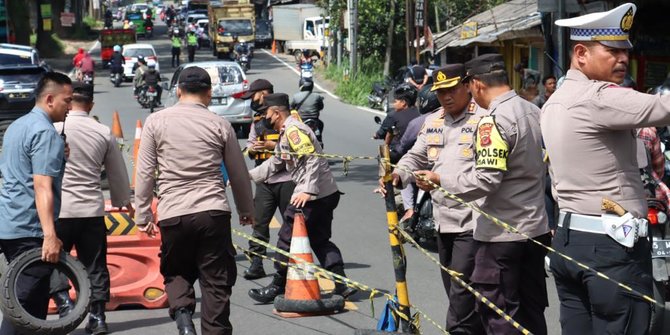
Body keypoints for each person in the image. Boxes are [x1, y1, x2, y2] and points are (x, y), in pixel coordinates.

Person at [542, 4, 670, 333]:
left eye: (625, 51)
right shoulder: (599, 97)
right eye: (612, 51)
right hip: (611, 249)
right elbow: (662, 107)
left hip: (570, 241)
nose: (623, 59)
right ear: (581, 53)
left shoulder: (553, 102)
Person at [414, 54, 552, 334]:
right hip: (535, 229)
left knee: (499, 314)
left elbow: (486, 180)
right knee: (530, 311)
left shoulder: (492, 121)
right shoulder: (533, 111)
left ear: (475, 85)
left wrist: (440, 179)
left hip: (502, 235)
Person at [134, 66, 254, 335]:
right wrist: (247, 209)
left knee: (176, 271)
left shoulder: (156, 121)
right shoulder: (220, 124)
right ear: (209, 93)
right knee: (216, 281)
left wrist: (142, 215)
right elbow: (238, 173)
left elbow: (144, 172)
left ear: (178, 91)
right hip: (213, 212)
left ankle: (185, 321)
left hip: (172, 214)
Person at [386, 64, 486, 334]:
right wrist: (398, 175)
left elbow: (487, 176)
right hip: (442, 221)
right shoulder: (434, 121)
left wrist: (439, 179)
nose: (446, 97)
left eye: (452, 90)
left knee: (461, 295)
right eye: (441, 92)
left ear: (467, 85)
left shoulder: (484, 121)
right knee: (456, 291)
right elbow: (415, 155)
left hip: (474, 222)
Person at [248, 93, 357, 303]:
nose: (264, 118)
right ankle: (342, 284)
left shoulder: (294, 130)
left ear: (276, 112)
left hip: (312, 196)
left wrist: (308, 190)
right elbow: (275, 163)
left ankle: (276, 286)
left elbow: (313, 159)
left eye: (266, 114)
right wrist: (246, 177)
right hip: (324, 193)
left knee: (285, 238)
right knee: (319, 239)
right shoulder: (286, 131)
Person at [50, 82, 133, 334]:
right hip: (91, 210)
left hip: (58, 211)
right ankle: (97, 317)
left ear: (67, 101)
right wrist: (122, 201)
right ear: (91, 105)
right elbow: (117, 174)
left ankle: (65, 304)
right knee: (95, 265)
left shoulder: (52, 129)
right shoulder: (102, 131)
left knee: (53, 261)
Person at [0, 72, 72, 334]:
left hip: (10, 222)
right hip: (30, 228)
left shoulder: (17, 126)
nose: (70, 107)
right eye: (68, 100)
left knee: (34, 304)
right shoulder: (44, 132)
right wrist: (50, 235)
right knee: (22, 302)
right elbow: (42, 186)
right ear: (50, 99)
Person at [241, 79, 296, 280]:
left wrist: (273, 148)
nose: (252, 101)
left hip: (289, 179)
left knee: (291, 223)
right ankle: (256, 263)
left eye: (253, 96)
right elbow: (249, 146)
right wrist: (253, 149)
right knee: (259, 222)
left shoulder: (291, 117)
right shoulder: (257, 120)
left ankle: (291, 266)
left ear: (263, 93)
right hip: (265, 179)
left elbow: (297, 147)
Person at [373, 84, 420, 164]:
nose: (393, 104)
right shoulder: (421, 115)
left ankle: (384, 176)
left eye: (395, 101)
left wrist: (377, 135)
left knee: (382, 161)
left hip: (397, 153)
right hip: (416, 154)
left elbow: (385, 131)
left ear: (403, 103)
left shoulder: (393, 115)